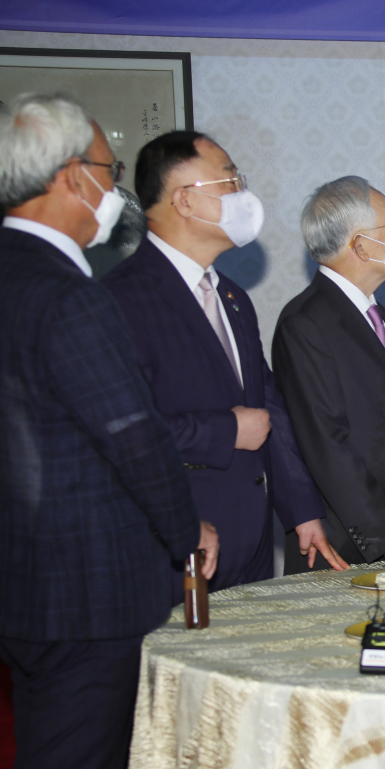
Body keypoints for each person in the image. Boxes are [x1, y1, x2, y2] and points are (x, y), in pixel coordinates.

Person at [0, 93, 217, 769]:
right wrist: (188, 535)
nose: (113, 185)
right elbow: (134, 435)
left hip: (24, 582)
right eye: (108, 166)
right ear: (72, 176)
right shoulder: (71, 294)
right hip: (91, 594)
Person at [101, 131, 344, 591]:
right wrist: (227, 430)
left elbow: (268, 407)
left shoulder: (231, 296)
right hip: (175, 541)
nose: (242, 194)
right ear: (185, 201)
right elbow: (121, 432)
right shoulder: (122, 298)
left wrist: (302, 511)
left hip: (249, 542)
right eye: (229, 180)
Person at [272, 176, 385, 569]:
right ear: (361, 244)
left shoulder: (374, 312)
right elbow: (326, 441)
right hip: (360, 545)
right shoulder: (306, 322)